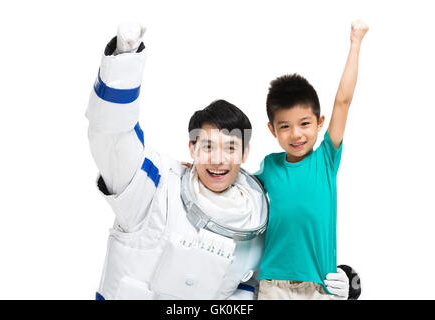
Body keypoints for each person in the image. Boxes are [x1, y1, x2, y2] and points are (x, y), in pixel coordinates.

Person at [86, 22, 352, 300]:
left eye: (230, 148)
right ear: (192, 148)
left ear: (245, 154)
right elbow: (112, 139)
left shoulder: (254, 216)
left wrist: (343, 278)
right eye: (208, 146)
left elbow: (270, 279)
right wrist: (123, 63)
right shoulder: (155, 188)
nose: (218, 160)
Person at [255, 20, 368, 300]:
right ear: (272, 130)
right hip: (274, 285)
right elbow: (237, 189)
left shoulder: (326, 160)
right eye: (284, 126)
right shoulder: (270, 165)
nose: (296, 134)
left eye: (304, 123)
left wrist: (355, 44)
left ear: (319, 123)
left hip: (321, 285)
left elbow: (343, 100)